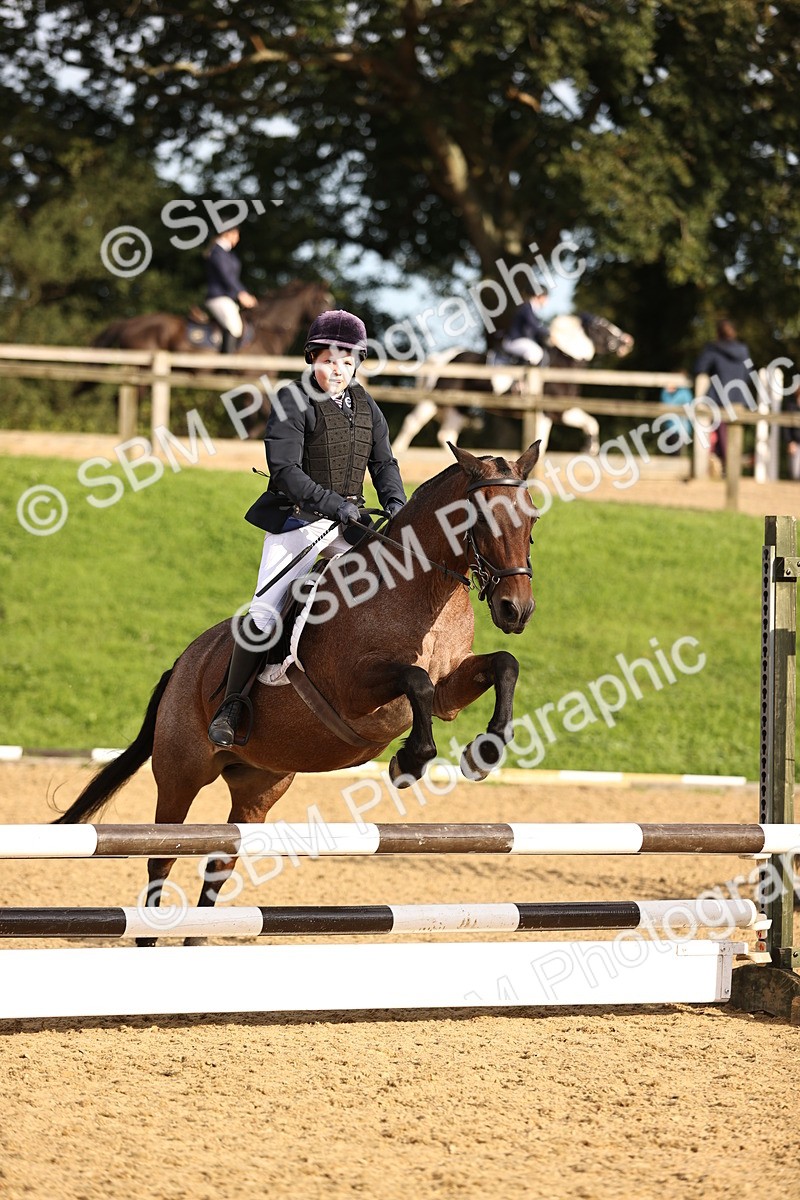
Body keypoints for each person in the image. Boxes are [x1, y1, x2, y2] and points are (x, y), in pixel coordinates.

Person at [208, 309, 408, 748]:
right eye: (327, 360)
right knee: (264, 612)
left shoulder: (365, 405)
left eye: (345, 361)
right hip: (297, 519)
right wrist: (333, 504)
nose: (336, 369)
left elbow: (384, 463)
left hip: (349, 523)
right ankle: (232, 703)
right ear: (311, 358)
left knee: (395, 582)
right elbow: (285, 470)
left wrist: (396, 502)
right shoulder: (291, 400)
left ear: (356, 363)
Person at [693, 319, 753, 472]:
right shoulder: (743, 350)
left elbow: (700, 368)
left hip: (719, 398)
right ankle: (728, 466)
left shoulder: (713, 349)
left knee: (719, 432)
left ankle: (725, 466)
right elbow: (748, 373)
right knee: (733, 433)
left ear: (718, 333)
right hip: (738, 398)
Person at [204, 226, 258, 354]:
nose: (238, 238)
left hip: (227, 298)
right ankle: (226, 366)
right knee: (234, 327)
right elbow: (226, 275)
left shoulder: (227, 253)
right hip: (218, 297)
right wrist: (242, 294)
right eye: (236, 235)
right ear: (228, 233)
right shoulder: (217, 252)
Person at [502, 287, 550, 365]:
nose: (546, 301)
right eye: (545, 297)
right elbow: (534, 326)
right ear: (539, 296)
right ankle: (525, 375)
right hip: (514, 341)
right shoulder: (526, 307)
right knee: (536, 352)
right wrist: (549, 332)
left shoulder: (531, 309)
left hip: (521, 341)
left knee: (537, 350)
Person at [658, 380, 694, 453]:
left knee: (676, 454)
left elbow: (670, 404)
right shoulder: (667, 393)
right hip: (669, 428)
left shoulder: (684, 392)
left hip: (680, 430)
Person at [781, 386, 800, 481]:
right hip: (795, 443)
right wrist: (790, 442)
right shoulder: (791, 406)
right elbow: (786, 427)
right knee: (795, 473)